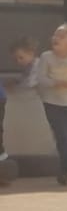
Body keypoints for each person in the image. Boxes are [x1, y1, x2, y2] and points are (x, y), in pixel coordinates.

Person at [25, 23, 67, 186]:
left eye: (61, 36)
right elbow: (41, 79)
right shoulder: (46, 57)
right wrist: (56, 82)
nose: (56, 38)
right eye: (55, 35)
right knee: (62, 136)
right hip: (52, 103)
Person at [1, 36, 35, 164]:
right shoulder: (27, 69)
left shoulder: (37, 66)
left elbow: (30, 83)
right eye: (16, 59)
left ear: (30, 53)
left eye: (21, 57)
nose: (18, 61)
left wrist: (18, 85)